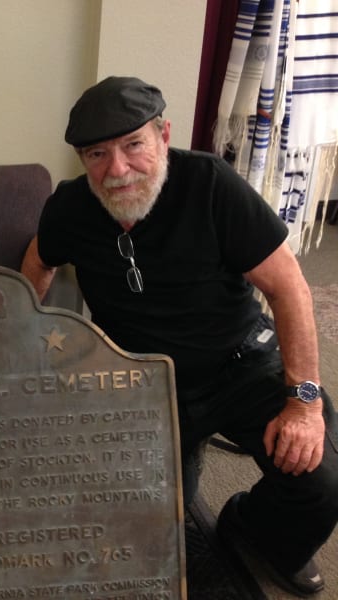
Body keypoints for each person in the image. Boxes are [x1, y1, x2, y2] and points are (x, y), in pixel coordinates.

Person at [21, 76, 338, 597]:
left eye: (133, 145)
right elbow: (38, 260)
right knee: (143, 521)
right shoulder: (72, 207)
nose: (117, 170)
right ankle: (183, 459)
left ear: (164, 135)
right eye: (97, 154)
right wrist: (27, 335)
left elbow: (291, 290)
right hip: (141, 380)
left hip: (238, 364)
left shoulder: (210, 184)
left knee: (320, 481)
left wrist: (303, 404)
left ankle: (253, 529)